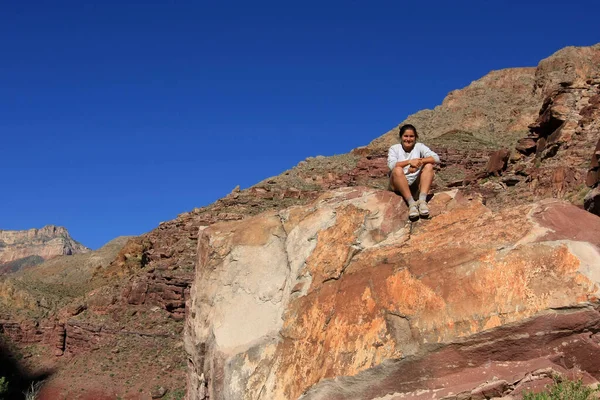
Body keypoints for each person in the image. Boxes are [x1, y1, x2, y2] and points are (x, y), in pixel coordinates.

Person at [388, 124, 440, 219]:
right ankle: (411, 204)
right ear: (401, 137)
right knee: (397, 170)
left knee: (428, 166)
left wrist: (419, 162)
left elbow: (436, 158)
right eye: (406, 136)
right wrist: (409, 162)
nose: (408, 139)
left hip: (415, 184)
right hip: (398, 185)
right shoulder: (394, 148)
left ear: (416, 137)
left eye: (411, 136)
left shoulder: (419, 147)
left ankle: (422, 202)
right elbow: (392, 165)